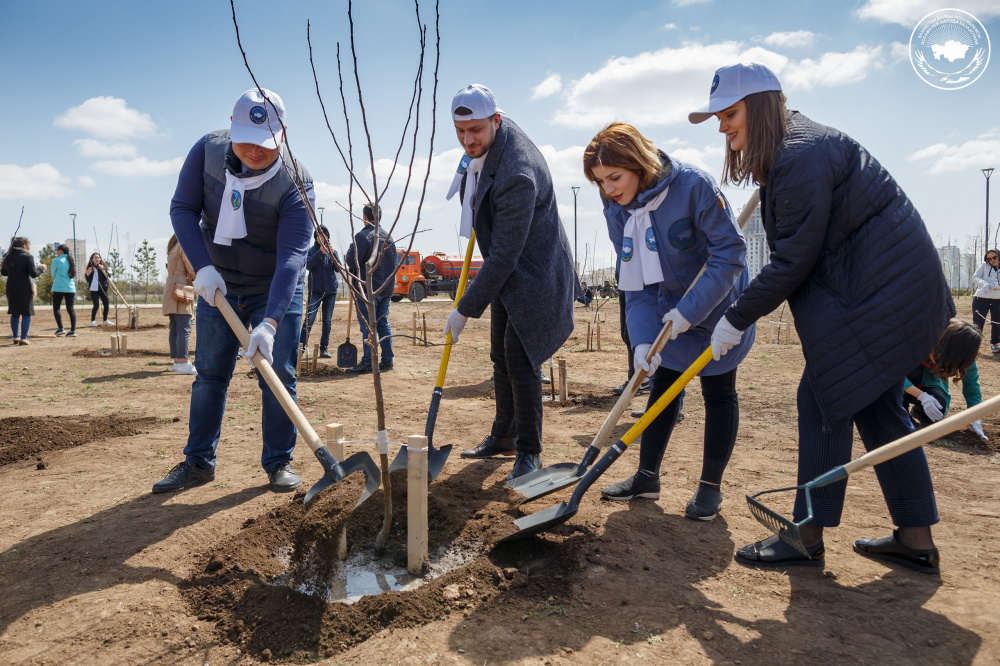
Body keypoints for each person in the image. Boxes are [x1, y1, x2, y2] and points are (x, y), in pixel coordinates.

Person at [690, 63, 954, 571]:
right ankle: (916, 538)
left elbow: (793, 260)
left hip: (881, 294)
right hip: (879, 291)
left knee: (822, 399)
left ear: (762, 106)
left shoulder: (799, 157)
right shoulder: (795, 150)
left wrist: (736, 317)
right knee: (876, 406)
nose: (722, 126)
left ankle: (804, 536)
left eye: (729, 113)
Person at [584, 122, 754, 519]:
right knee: (663, 384)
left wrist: (691, 312)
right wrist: (642, 339)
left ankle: (709, 488)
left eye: (615, 177)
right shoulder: (617, 210)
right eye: (600, 181)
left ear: (638, 163)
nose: (609, 189)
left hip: (719, 304)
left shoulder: (694, 186)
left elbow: (729, 255)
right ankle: (647, 476)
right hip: (666, 306)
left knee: (718, 388)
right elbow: (635, 281)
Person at [155, 87, 314, 494]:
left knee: (279, 373)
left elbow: (293, 256)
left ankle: (278, 463)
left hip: (274, 285)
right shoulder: (206, 152)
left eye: (266, 144)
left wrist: (272, 322)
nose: (255, 152)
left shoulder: (296, 181)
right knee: (209, 375)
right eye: (246, 140)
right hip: (218, 283)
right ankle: (198, 462)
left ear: (283, 135)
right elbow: (183, 209)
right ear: (231, 126)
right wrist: (203, 267)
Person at [445, 84, 579, 484]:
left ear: (496, 121)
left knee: (521, 360)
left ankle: (530, 451)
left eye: (477, 131)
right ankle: (504, 434)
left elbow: (504, 256)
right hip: (512, 272)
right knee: (499, 355)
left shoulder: (517, 173)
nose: (469, 140)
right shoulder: (492, 144)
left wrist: (464, 308)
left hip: (536, 275)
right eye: (461, 131)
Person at [903, 319, 987, 441]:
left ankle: (918, 412)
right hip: (901, 381)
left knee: (938, 409)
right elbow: (893, 375)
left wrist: (975, 416)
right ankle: (900, 411)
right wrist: (922, 396)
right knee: (912, 372)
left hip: (928, 382)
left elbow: (972, 389)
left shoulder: (965, 356)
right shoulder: (920, 341)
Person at [345, 203, 396, 374]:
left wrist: (350, 250)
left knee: (367, 326)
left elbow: (352, 261)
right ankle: (387, 361)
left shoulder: (362, 236)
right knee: (383, 324)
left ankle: (367, 362)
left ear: (365, 217)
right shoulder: (389, 237)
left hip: (368, 290)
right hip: (386, 288)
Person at [300, 224, 340, 359]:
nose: (323, 238)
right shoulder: (311, 251)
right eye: (320, 236)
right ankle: (301, 348)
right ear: (316, 238)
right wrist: (320, 252)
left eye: (325, 235)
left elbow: (339, 269)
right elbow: (309, 266)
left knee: (327, 321)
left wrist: (332, 255)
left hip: (331, 291)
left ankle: (324, 349)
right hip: (315, 291)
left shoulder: (332, 251)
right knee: (309, 319)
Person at [162, 235, 197, 375]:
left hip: (171, 285)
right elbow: (190, 266)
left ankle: (177, 361)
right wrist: (199, 278)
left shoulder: (172, 246)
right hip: (180, 286)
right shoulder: (183, 244)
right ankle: (183, 361)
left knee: (175, 327)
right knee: (184, 327)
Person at [2, 237, 46, 345]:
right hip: (24, 287)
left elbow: (3, 273)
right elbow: (33, 274)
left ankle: (16, 337)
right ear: (24, 246)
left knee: (14, 312)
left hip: (11, 287)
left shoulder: (7, 256)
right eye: (29, 246)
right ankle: (23, 338)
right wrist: (41, 268)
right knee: (26, 312)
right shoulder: (27, 257)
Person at [971, 249, 1000, 354]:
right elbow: (975, 277)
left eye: (994, 257)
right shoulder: (983, 266)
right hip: (981, 298)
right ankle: (974, 346)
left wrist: (994, 285)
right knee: (978, 323)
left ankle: (995, 344)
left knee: (997, 322)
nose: (992, 260)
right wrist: (984, 284)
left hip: (998, 299)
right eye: (989, 258)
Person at [51, 244, 78, 337]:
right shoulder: (71, 260)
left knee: (56, 308)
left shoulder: (56, 261)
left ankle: (60, 328)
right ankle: (73, 330)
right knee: (70, 309)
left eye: (57, 251)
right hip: (70, 288)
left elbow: (53, 273)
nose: (57, 253)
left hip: (58, 287)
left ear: (61, 251)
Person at [84, 253, 111, 327]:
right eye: (95, 258)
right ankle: (93, 321)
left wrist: (103, 270)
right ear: (92, 259)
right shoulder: (90, 268)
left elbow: (108, 276)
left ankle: (105, 320)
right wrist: (88, 274)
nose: (97, 259)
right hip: (94, 289)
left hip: (103, 288)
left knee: (106, 304)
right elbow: (88, 280)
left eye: (98, 258)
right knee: (96, 305)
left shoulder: (103, 267)